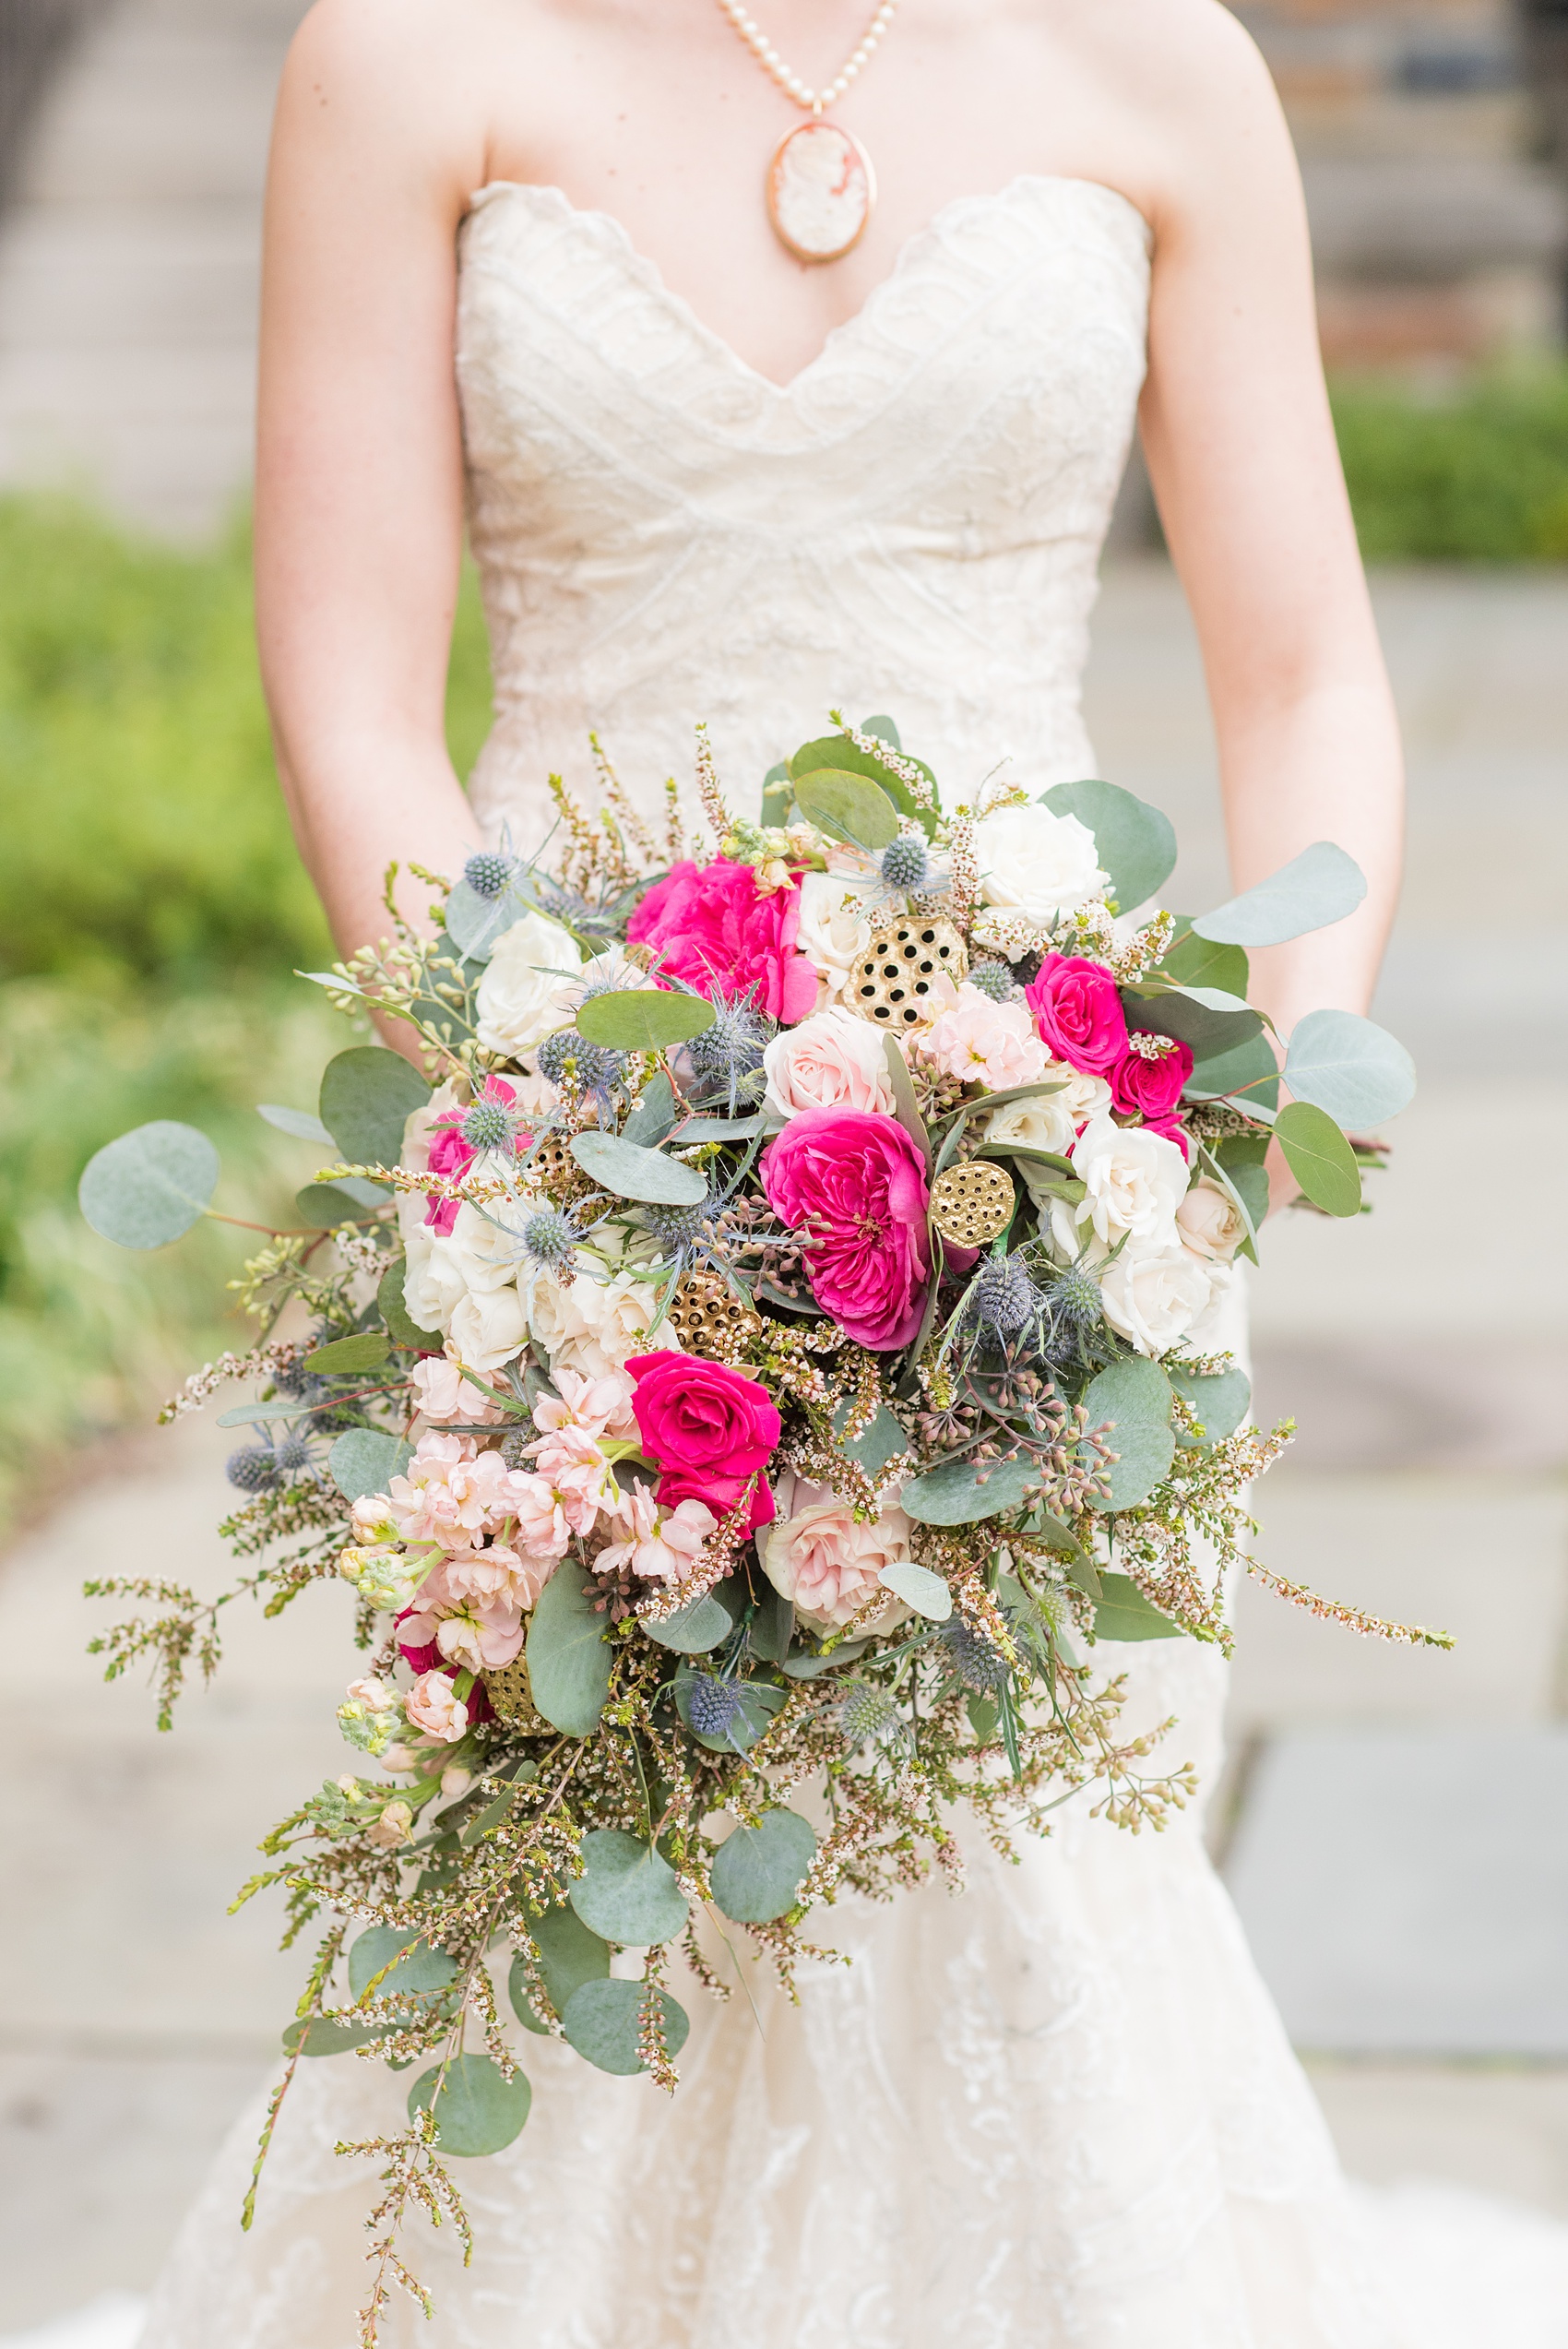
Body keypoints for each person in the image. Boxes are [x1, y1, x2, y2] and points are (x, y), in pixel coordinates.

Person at [137, 5, 1533, 2343]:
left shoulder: (1155, 65)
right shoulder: (404, 58)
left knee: (1033, 1932)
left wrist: (1236, 1133)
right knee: (597, 1919)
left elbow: (1308, 674)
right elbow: (361, 700)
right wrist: (552, 1150)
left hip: (1042, 1210)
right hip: (575, 1215)